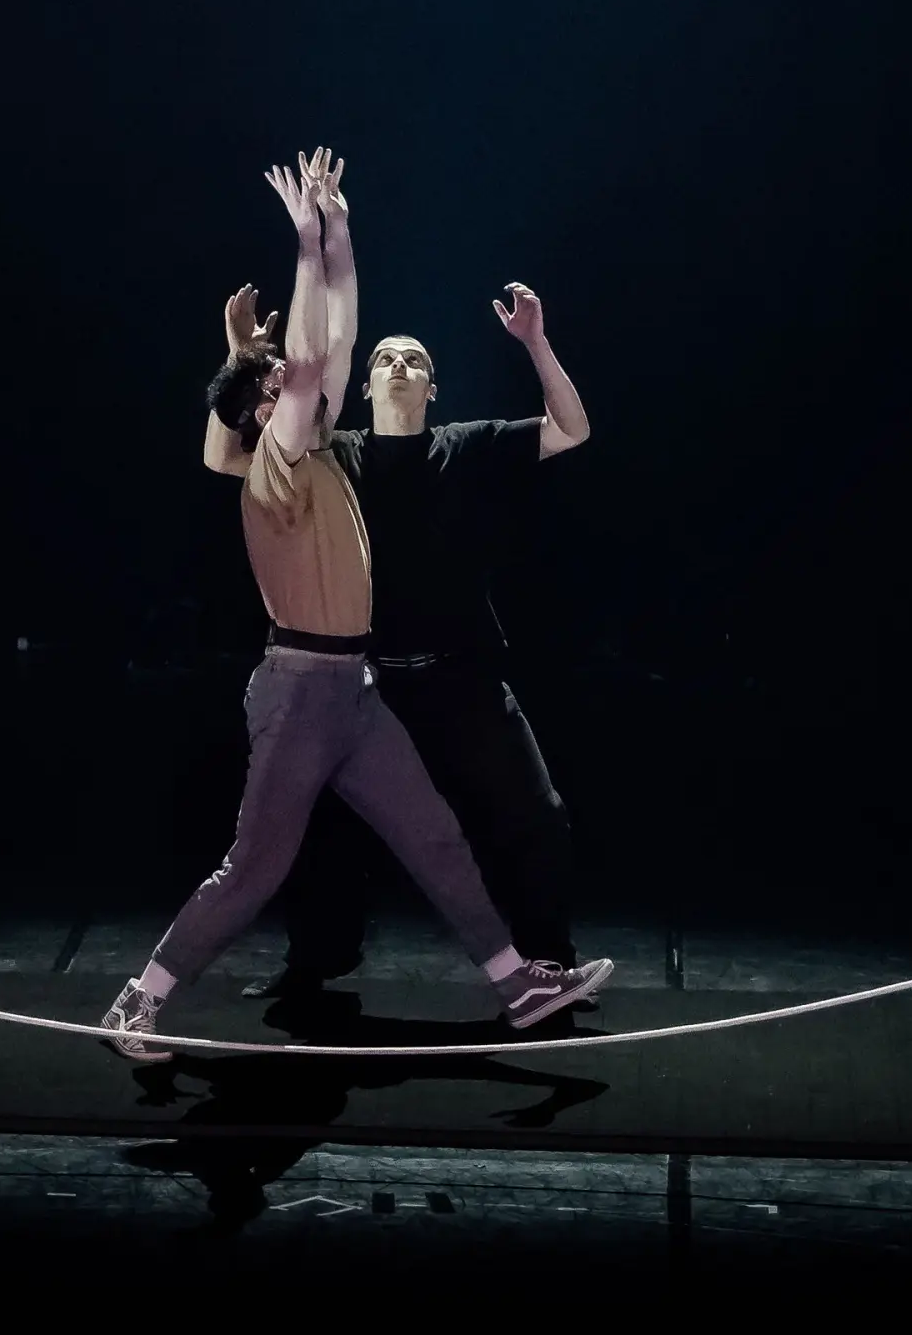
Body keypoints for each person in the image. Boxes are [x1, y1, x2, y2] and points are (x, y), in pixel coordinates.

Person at [102, 150, 611, 1060]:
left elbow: (329, 347)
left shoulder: (329, 448)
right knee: (253, 867)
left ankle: (518, 985)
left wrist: (338, 234)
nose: (302, 387)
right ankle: (140, 999)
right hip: (300, 695)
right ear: (264, 412)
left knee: (438, 840)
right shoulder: (277, 463)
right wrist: (301, 243)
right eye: (274, 392)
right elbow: (302, 364)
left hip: (356, 693)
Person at [204, 282, 589, 999]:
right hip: (364, 682)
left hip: (460, 679)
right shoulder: (331, 455)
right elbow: (227, 458)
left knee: (534, 815)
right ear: (368, 381)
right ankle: (313, 964)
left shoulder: (468, 446)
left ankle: (545, 962)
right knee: (321, 821)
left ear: (433, 386)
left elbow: (570, 430)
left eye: (413, 358)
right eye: (384, 356)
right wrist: (242, 355)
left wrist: (534, 342)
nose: (397, 364)